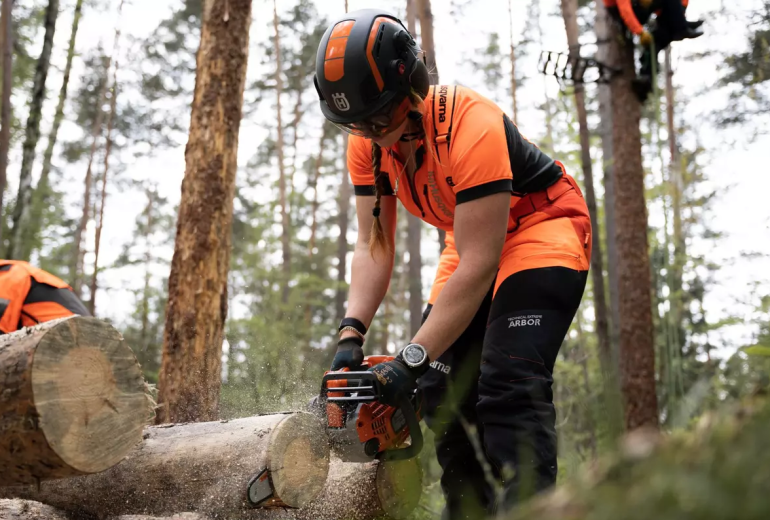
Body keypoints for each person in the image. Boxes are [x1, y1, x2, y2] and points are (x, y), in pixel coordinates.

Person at [315, 9, 591, 519]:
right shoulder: (367, 144)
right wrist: (350, 335)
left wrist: (409, 358)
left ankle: (530, 511)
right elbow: (374, 244)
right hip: (468, 244)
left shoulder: (471, 125)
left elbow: (482, 263)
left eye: (379, 118)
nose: (371, 135)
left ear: (410, 90)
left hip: (540, 225)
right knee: (442, 390)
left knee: (508, 378)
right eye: (356, 123)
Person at [604, 0, 703, 101]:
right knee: (664, 31)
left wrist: (679, 16)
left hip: (638, 8)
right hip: (621, 12)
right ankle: (680, 28)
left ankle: (646, 77)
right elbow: (625, 11)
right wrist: (640, 32)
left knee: (661, 34)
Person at [0, 260, 90, 334]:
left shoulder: (9, 275)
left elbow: (2, 328)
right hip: (88, 335)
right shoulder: (19, 271)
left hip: (69, 339)